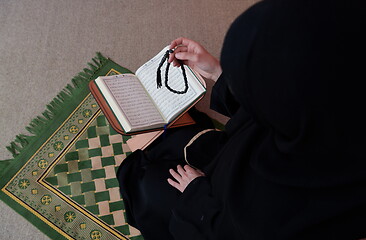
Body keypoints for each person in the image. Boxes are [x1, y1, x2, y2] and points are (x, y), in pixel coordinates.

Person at [117, 0, 366, 239]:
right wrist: (217, 70)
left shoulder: (272, 210)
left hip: (218, 207)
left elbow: (225, 232)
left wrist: (196, 193)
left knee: (147, 187)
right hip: (244, 161)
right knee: (175, 139)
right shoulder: (331, 104)